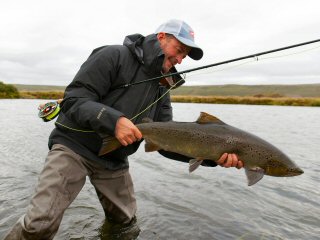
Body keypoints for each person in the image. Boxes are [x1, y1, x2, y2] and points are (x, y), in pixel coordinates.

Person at [4, 19, 243, 239]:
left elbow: (166, 144)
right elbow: (73, 100)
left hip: (114, 160)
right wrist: (113, 120)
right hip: (73, 148)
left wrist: (213, 157)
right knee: (39, 225)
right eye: (179, 50)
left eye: (185, 56)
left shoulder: (163, 87)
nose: (180, 60)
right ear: (161, 37)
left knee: (126, 226)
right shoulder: (112, 55)